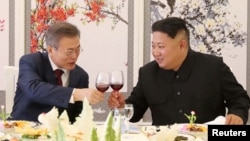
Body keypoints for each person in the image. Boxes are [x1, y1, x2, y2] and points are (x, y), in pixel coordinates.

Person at [108, 17, 250, 125]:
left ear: (182, 45)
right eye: (153, 46)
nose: (155, 52)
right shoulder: (147, 73)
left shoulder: (214, 66)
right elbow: (135, 111)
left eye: (161, 46)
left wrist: (237, 114)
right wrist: (122, 106)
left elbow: (239, 98)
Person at [9, 21, 104, 123]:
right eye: (69, 51)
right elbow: (33, 89)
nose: (75, 56)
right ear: (50, 50)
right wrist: (75, 94)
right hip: (21, 130)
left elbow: (78, 118)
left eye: (78, 50)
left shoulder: (81, 75)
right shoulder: (31, 61)